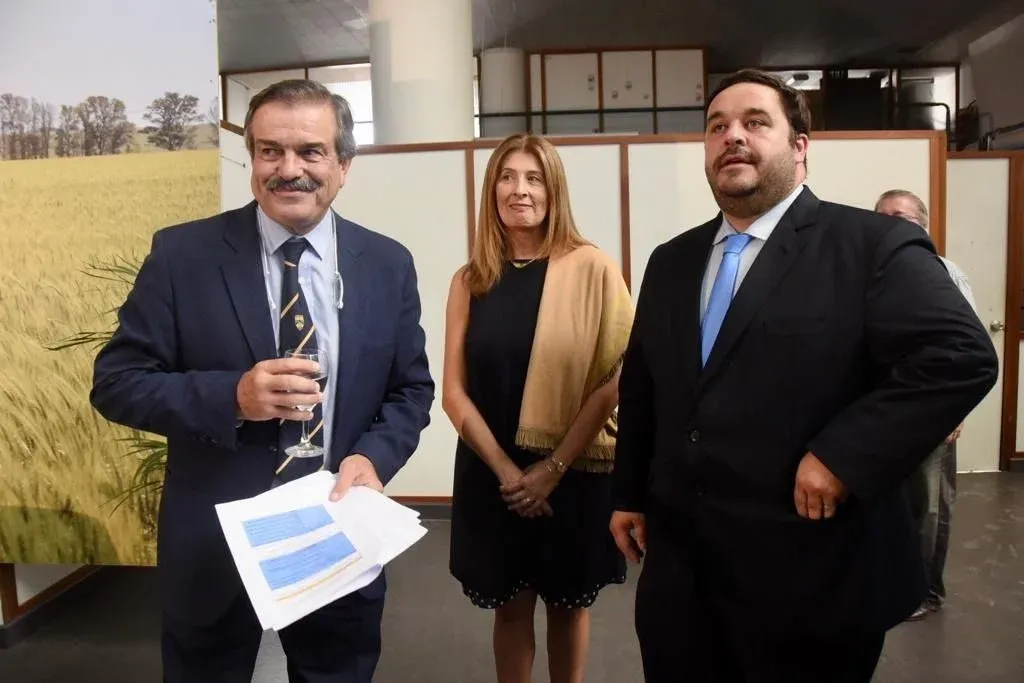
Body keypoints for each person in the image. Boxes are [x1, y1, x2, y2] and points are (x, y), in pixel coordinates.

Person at [609, 68, 999, 683]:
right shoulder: (672, 261)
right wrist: (629, 492)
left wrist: (844, 455)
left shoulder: (871, 245)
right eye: (717, 126)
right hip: (682, 581)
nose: (732, 136)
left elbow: (960, 356)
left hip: (811, 579)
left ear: (800, 147)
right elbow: (643, 387)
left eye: (755, 122)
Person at [90, 79, 434, 683]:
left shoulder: (387, 263)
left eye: (310, 151)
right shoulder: (182, 256)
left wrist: (372, 458)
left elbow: (410, 389)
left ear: (343, 165)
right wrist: (232, 397)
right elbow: (117, 382)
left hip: (336, 530)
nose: (289, 169)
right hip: (215, 544)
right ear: (252, 158)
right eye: (271, 151)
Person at [442, 133, 633, 683]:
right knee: (509, 605)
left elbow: (615, 379)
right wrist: (509, 473)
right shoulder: (471, 280)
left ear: (554, 191)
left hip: (572, 469)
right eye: (507, 177)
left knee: (568, 604)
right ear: (491, 190)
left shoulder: (593, 268)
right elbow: (453, 392)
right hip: (491, 469)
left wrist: (552, 468)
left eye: (533, 178)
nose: (519, 190)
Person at [875, 188, 978, 620]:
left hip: (930, 413)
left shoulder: (944, 274)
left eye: (901, 216)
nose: (891, 223)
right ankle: (894, 583)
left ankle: (926, 592)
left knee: (929, 507)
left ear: (924, 225)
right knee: (889, 505)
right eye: (883, 216)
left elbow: (967, 352)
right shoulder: (869, 272)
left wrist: (954, 411)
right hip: (880, 413)